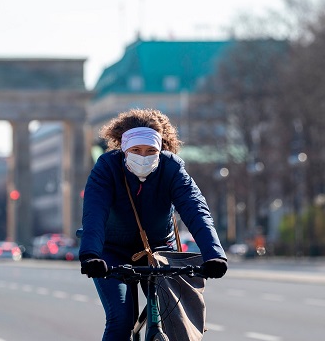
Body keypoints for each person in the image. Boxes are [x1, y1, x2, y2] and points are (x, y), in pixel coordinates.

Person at [79, 108, 228, 340]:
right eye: (136, 150)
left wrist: (214, 254)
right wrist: (90, 255)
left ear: (161, 149)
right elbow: (93, 214)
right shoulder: (106, 168)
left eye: (151, 151)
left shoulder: (173, 168)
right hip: (111, 252)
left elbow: (196, 210)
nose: (143, 156)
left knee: (171, 317)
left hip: (158, 251)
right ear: (123, 148)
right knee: (121, 320)